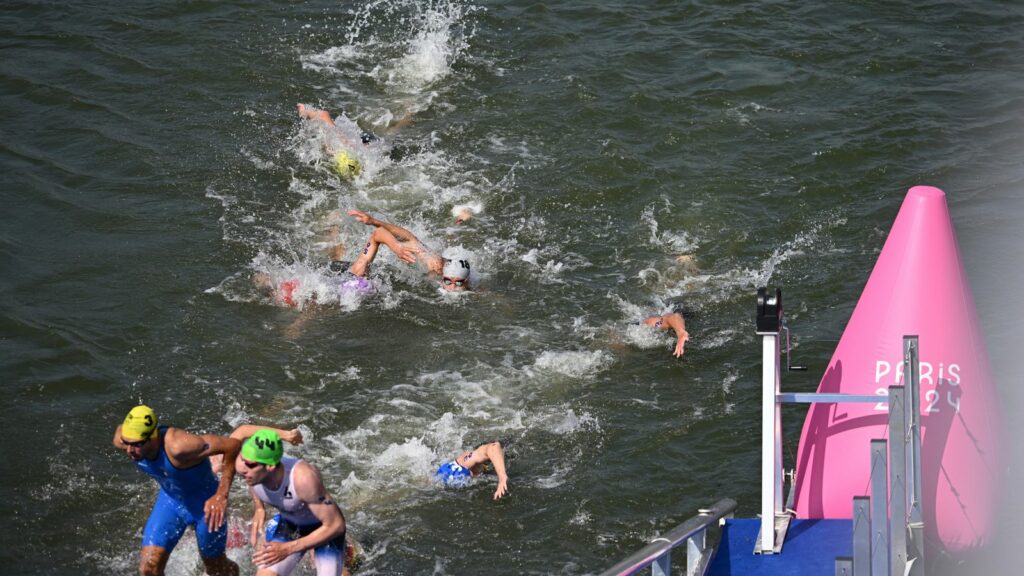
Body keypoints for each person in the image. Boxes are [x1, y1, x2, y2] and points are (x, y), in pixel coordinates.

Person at [112, 405, 242, 576]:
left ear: (154, 437)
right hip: (171, 502)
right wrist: (130, 441)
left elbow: (232, 445)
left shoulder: (180, 447)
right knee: (148, 570)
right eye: (127, 443)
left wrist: (221, 495)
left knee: (217, 570)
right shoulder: (125, 440)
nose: (129, 451)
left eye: (136, 444)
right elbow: (120, 433)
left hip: (205, 504)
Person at [230, 426, 352, 576]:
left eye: (250, 464)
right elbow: (242, 431)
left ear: (270, 466)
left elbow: (337, 525)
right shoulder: (251, 471)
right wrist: (259, 508)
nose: (241, 468)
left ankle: (344, 560)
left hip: (324, 530)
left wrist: (288, 549)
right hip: (289, 525)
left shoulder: (303, 479)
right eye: (242, 458)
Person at [347, 209, 472, 292]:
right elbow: (410, 238)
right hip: (442, 263)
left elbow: (410, 239)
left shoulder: (470, 287)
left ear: (467, 282)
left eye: (459, 283)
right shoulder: (436, 267)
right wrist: (373, 221)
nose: (452, 287)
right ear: (443, 277)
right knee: (445, 245)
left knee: (448, 243)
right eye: (448, 282)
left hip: (451, 261)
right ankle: (459, 221)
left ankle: (460, 220)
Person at [297, 103, 413, 179]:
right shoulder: (370, 166)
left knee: (338, 145)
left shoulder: (365, 165)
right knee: (340, 144)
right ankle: (408, 116)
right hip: (367, 143)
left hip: (364, 143)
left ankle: (408, 117)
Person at [435, 441, 509, 500]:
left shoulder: (465, 463)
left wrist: (501, 476)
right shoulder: (462, 467)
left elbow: (494, 447)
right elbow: (494, 447)